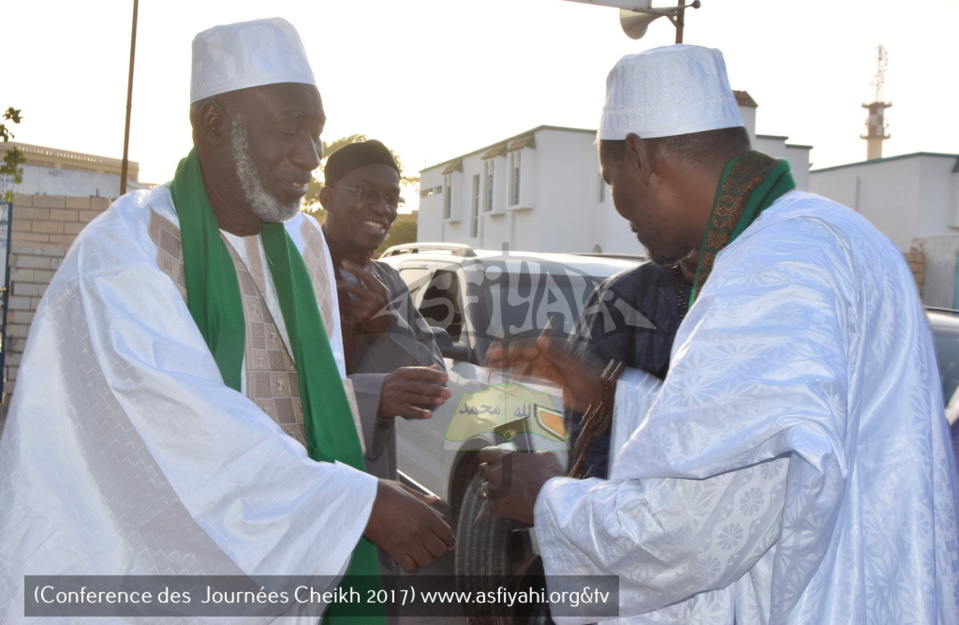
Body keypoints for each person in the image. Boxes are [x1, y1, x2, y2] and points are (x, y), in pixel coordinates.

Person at [479, 44, 959, 623]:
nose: (619, 209)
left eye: (610, 179)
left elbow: (691, 529)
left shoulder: (773, 269)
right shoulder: (831, 235)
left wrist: (548, 499)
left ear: (642, 158)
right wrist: (611, 397)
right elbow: (768, 450)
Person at [0, 17, 453, 623]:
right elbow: (174, 431)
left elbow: (304, 406)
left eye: (316, 133)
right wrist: (355, 504)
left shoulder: (303, 245)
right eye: (289, 128)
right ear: (214, 124)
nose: (311, 156)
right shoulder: (124, 253)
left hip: (287, 569)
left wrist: (344, 485)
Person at [320, 140, 451, 604]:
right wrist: (374, 394)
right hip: (311, 487)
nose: (383, 209)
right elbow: (274, 387)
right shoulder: (290, 267)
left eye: (393, 199)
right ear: (327, 196)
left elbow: (430, 382)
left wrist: (384, 324)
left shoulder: (390, 282)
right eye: (366, 192)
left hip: (377, 483)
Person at [566, 251, 695, 479]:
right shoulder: (627, 293)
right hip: (632, 492)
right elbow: (590, 422)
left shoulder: (758, 287)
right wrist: (599, 494)